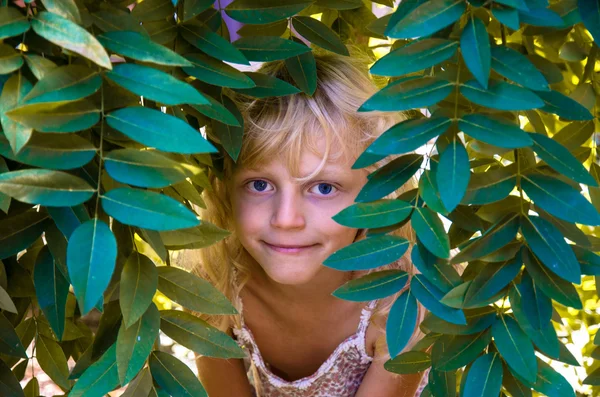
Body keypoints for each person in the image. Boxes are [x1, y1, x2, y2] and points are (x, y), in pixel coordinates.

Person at [186, 46, 430, 397]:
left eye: (324, 187)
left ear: (373, 192)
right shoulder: (214, 282)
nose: (286, 219)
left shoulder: (399, 302)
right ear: (225, 188)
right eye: (259, 184)